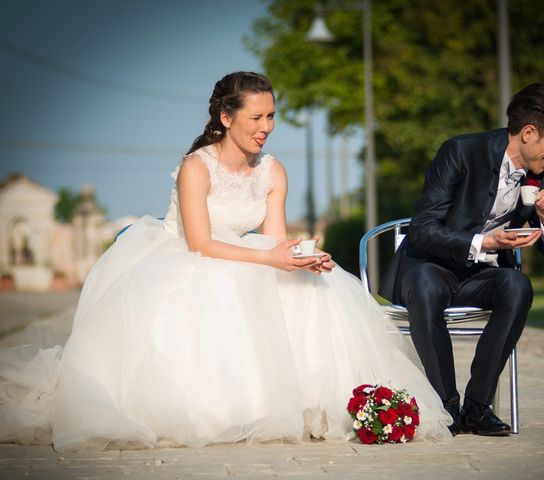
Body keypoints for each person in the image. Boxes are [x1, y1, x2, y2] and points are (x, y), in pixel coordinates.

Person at [0, 71, 451, 450]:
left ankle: (321, 399)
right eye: (256, 116)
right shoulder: (197, 167)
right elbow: (200, 243)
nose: (266, 126)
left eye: (271, 115)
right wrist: (270, 257)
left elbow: (272, 238)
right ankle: (231, 404)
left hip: (243, 251)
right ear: (225, 117)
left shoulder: (272, 170)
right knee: (223, 289)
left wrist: (300, 253)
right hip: (186, 255)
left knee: (313, 288)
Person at [379, 83, 544, 436]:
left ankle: (477, 407)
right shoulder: (459, 151)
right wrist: (483, 241)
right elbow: (423, 229)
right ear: (529, 133)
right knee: (426, 284)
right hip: (430, 268)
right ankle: (447, 407)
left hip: (481, 278)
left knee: (517, 285)